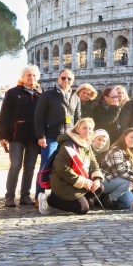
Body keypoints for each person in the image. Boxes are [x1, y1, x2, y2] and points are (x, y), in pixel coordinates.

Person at [38, 118, 105, 215]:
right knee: (83, 209)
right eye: (84, 128)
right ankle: (50, 199)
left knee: (99, 187)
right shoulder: (68, 145)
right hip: (63, 183)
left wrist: (97, 179)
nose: (88, 131)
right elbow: (63, 169)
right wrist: (83, 182)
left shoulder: (86, 144)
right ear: (77, 130)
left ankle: (71, 201)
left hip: (77, 181)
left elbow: (94, 163)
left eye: (90, 128)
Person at [0, 65, 42, 207]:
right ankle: (9, 197)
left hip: (34, 136)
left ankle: (25, 196)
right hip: (16, 135)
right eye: (28, 75)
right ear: (23, 77)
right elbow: (4, 114)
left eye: (34, 75)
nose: (31, 78)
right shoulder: (12, 93)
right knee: (15, 165)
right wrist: (3, 135)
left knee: (29, 167)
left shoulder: (41, 94)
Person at [34, 69, 81, 202]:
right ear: (58, 79)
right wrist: (41, 136)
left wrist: (77, 138)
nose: (66, 81)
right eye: (63, 78)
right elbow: (38, 117)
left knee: (64, 167)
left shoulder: (75, 97)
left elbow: (78, 118)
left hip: (68, 138)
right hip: (51, 136)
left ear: (73, 81)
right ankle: (39, 196)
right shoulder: (47, 95)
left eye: (69, 79)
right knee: (45, 166)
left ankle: (58, 197)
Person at [100, 128, 133, 210]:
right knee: (129, 181)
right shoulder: (116, 150)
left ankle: (113, 198)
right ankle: (109, 199)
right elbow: (121, 172)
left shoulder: (131, 151)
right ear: (124, 137)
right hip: (105, 181)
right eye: (131, 137)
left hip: (119, 183)